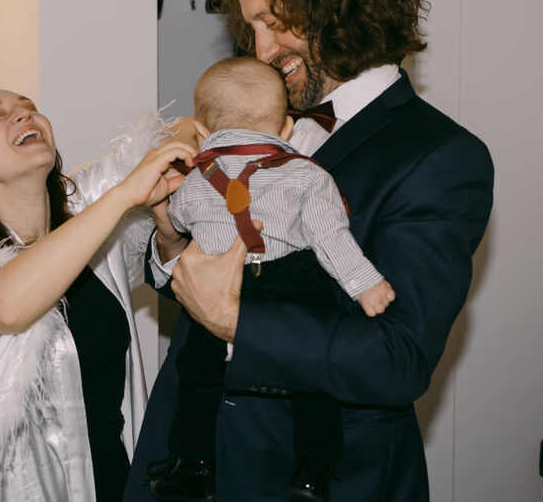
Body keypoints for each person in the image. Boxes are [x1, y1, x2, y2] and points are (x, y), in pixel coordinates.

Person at [126, 0, 495, 502]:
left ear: (336, 5)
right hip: (189, 455)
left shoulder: (441, 156)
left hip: (313, 476)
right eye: (252, 30)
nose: (262, 51)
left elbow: (398, 357)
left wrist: (235, 323)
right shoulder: (253, 122)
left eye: (273, 23)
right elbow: (200, 277)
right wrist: (170, 236)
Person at [0, 87, 194, 502]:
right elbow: (7, 307)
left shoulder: (92, 236)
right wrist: (123, 195)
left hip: (116, 479)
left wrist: (169, 232)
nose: (23, 116)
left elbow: (182, 133)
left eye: (29, 109)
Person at [148, 56, 394, 502]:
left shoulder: (195, 180)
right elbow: (330, 237)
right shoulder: (307, 174)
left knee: (197, 376)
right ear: (286, 129)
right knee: (313, 381)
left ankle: (192, 466)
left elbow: (180, 220)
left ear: (203, 133)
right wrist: (365, 284)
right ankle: (314, 469)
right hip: (293, 282)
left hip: (218, 282)